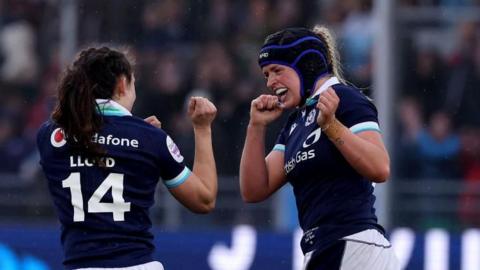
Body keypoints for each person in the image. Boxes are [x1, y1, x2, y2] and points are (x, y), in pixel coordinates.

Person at [36, 47, 218, 270]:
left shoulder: (49, 136)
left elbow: (96, 145)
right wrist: (202, 128)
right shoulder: (149, 139)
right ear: (122, 83)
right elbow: (204, 200)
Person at [240, 27, 399, 269]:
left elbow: (380, 167)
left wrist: (333, 127)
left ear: (305, 66)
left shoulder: (345, 100)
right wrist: (255, 127)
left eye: (277, 71)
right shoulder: (296, 122)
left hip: (352, 245)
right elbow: (254, 190)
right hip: (325, 248)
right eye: (266, 75)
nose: (271, 82)